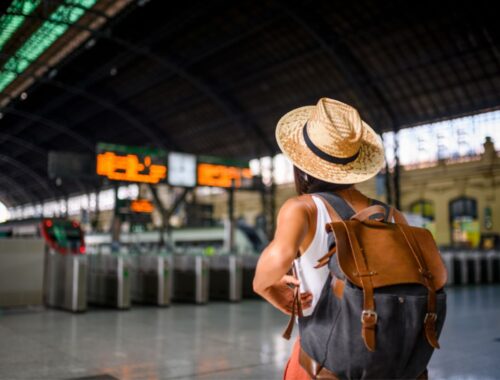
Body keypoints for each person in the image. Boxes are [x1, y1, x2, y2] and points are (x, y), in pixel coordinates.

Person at [253, 98, 386, 379]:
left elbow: (268, 271)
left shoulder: (303, 208)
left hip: (323, 360)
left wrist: (273, 291)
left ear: (301, 162)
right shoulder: (391, 215)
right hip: (386, 359)